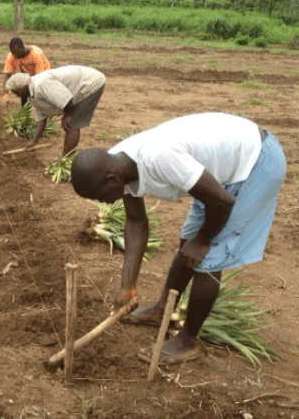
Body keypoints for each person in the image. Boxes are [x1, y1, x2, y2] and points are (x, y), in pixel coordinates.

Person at [70, 112, 285, 365]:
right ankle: (163, 309)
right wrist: (127, 286)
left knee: (209, 257)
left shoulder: (159, 158)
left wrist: (203, 239)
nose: (102, 203)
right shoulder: (118, 163)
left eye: (98, 196)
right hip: (220, 174)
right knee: (187, 245)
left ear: (111, 179)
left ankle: (186, 342)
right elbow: (136, 222)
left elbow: (222, 202)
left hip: (254, 163)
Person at [6, 65, 105, 157]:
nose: (17, 96)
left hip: (89, 83)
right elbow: (41, 120)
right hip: (78, 86)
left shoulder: (41, 84)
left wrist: (67, 116)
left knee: (71, 124)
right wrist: (33, 141)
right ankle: (65, 157)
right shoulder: (32, 95)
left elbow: (67, 100)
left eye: (16, 92)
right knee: (70, 124)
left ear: (23, 88)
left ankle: (66, 159)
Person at [2, 37, 51, 105]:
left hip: (42, 73)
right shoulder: (11, 57)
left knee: (40, 93)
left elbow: (39, 78)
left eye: (17, 52)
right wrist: (5, 96)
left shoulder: (35, 54)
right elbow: (7, 75)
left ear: (23, 47)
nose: (15, 55)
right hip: (27, 74)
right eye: (13, 53)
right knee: (23, 89)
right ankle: (25, 111)